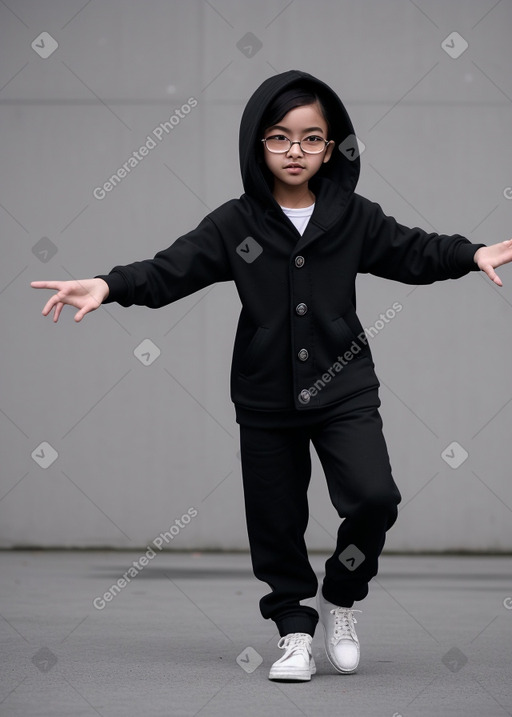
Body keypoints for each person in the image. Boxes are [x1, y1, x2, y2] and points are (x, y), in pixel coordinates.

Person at [31, 70, 512, 682]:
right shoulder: (237, 224)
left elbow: (413, 250)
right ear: (257, 144)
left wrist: (471, 254)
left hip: (344, 388)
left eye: (312, 139)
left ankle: (341, 594)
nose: (295, 151)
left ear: (333, 147)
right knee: (275, 521)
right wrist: (107, 284)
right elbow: (169, 269)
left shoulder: (353, 217)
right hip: (265, 397)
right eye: (280, 137)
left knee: (375, 497)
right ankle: (292, 629)